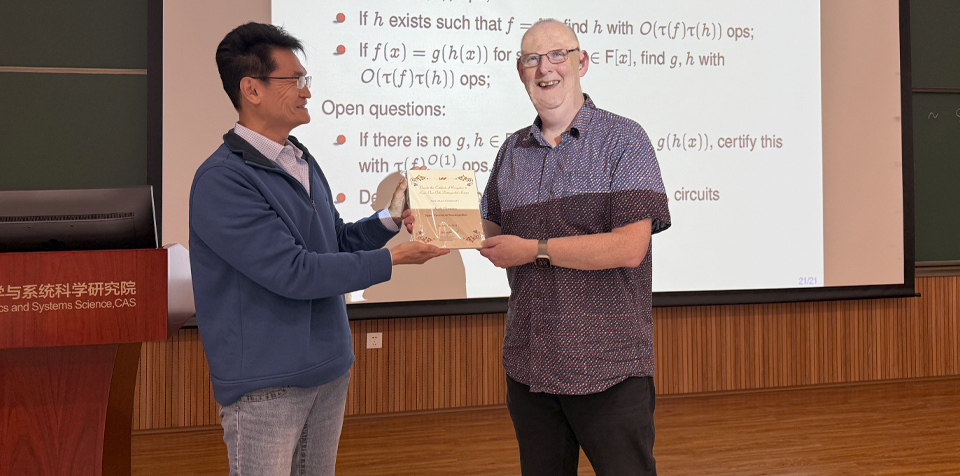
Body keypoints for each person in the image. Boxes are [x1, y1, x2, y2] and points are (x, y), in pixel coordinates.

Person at [189, 22, 447, 476]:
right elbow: (295, 272)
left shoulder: (300, 158)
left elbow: (334, 243)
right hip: (267, 383)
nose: (306, 92)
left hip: (329, 369)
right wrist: (393, 259)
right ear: (252, 89)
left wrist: (390, 219)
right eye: (294, 80)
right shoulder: (223, 180)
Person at [479, 19, 671, 476]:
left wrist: (534, 249)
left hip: (608, 368)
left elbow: (629, 248)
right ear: (521, 72)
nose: (544, 68)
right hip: (530, 367)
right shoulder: (512, 150)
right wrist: (434, 219)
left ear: (580, 62)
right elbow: (488, 228)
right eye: (532, 59)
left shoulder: (624, 139)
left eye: (556, 55)